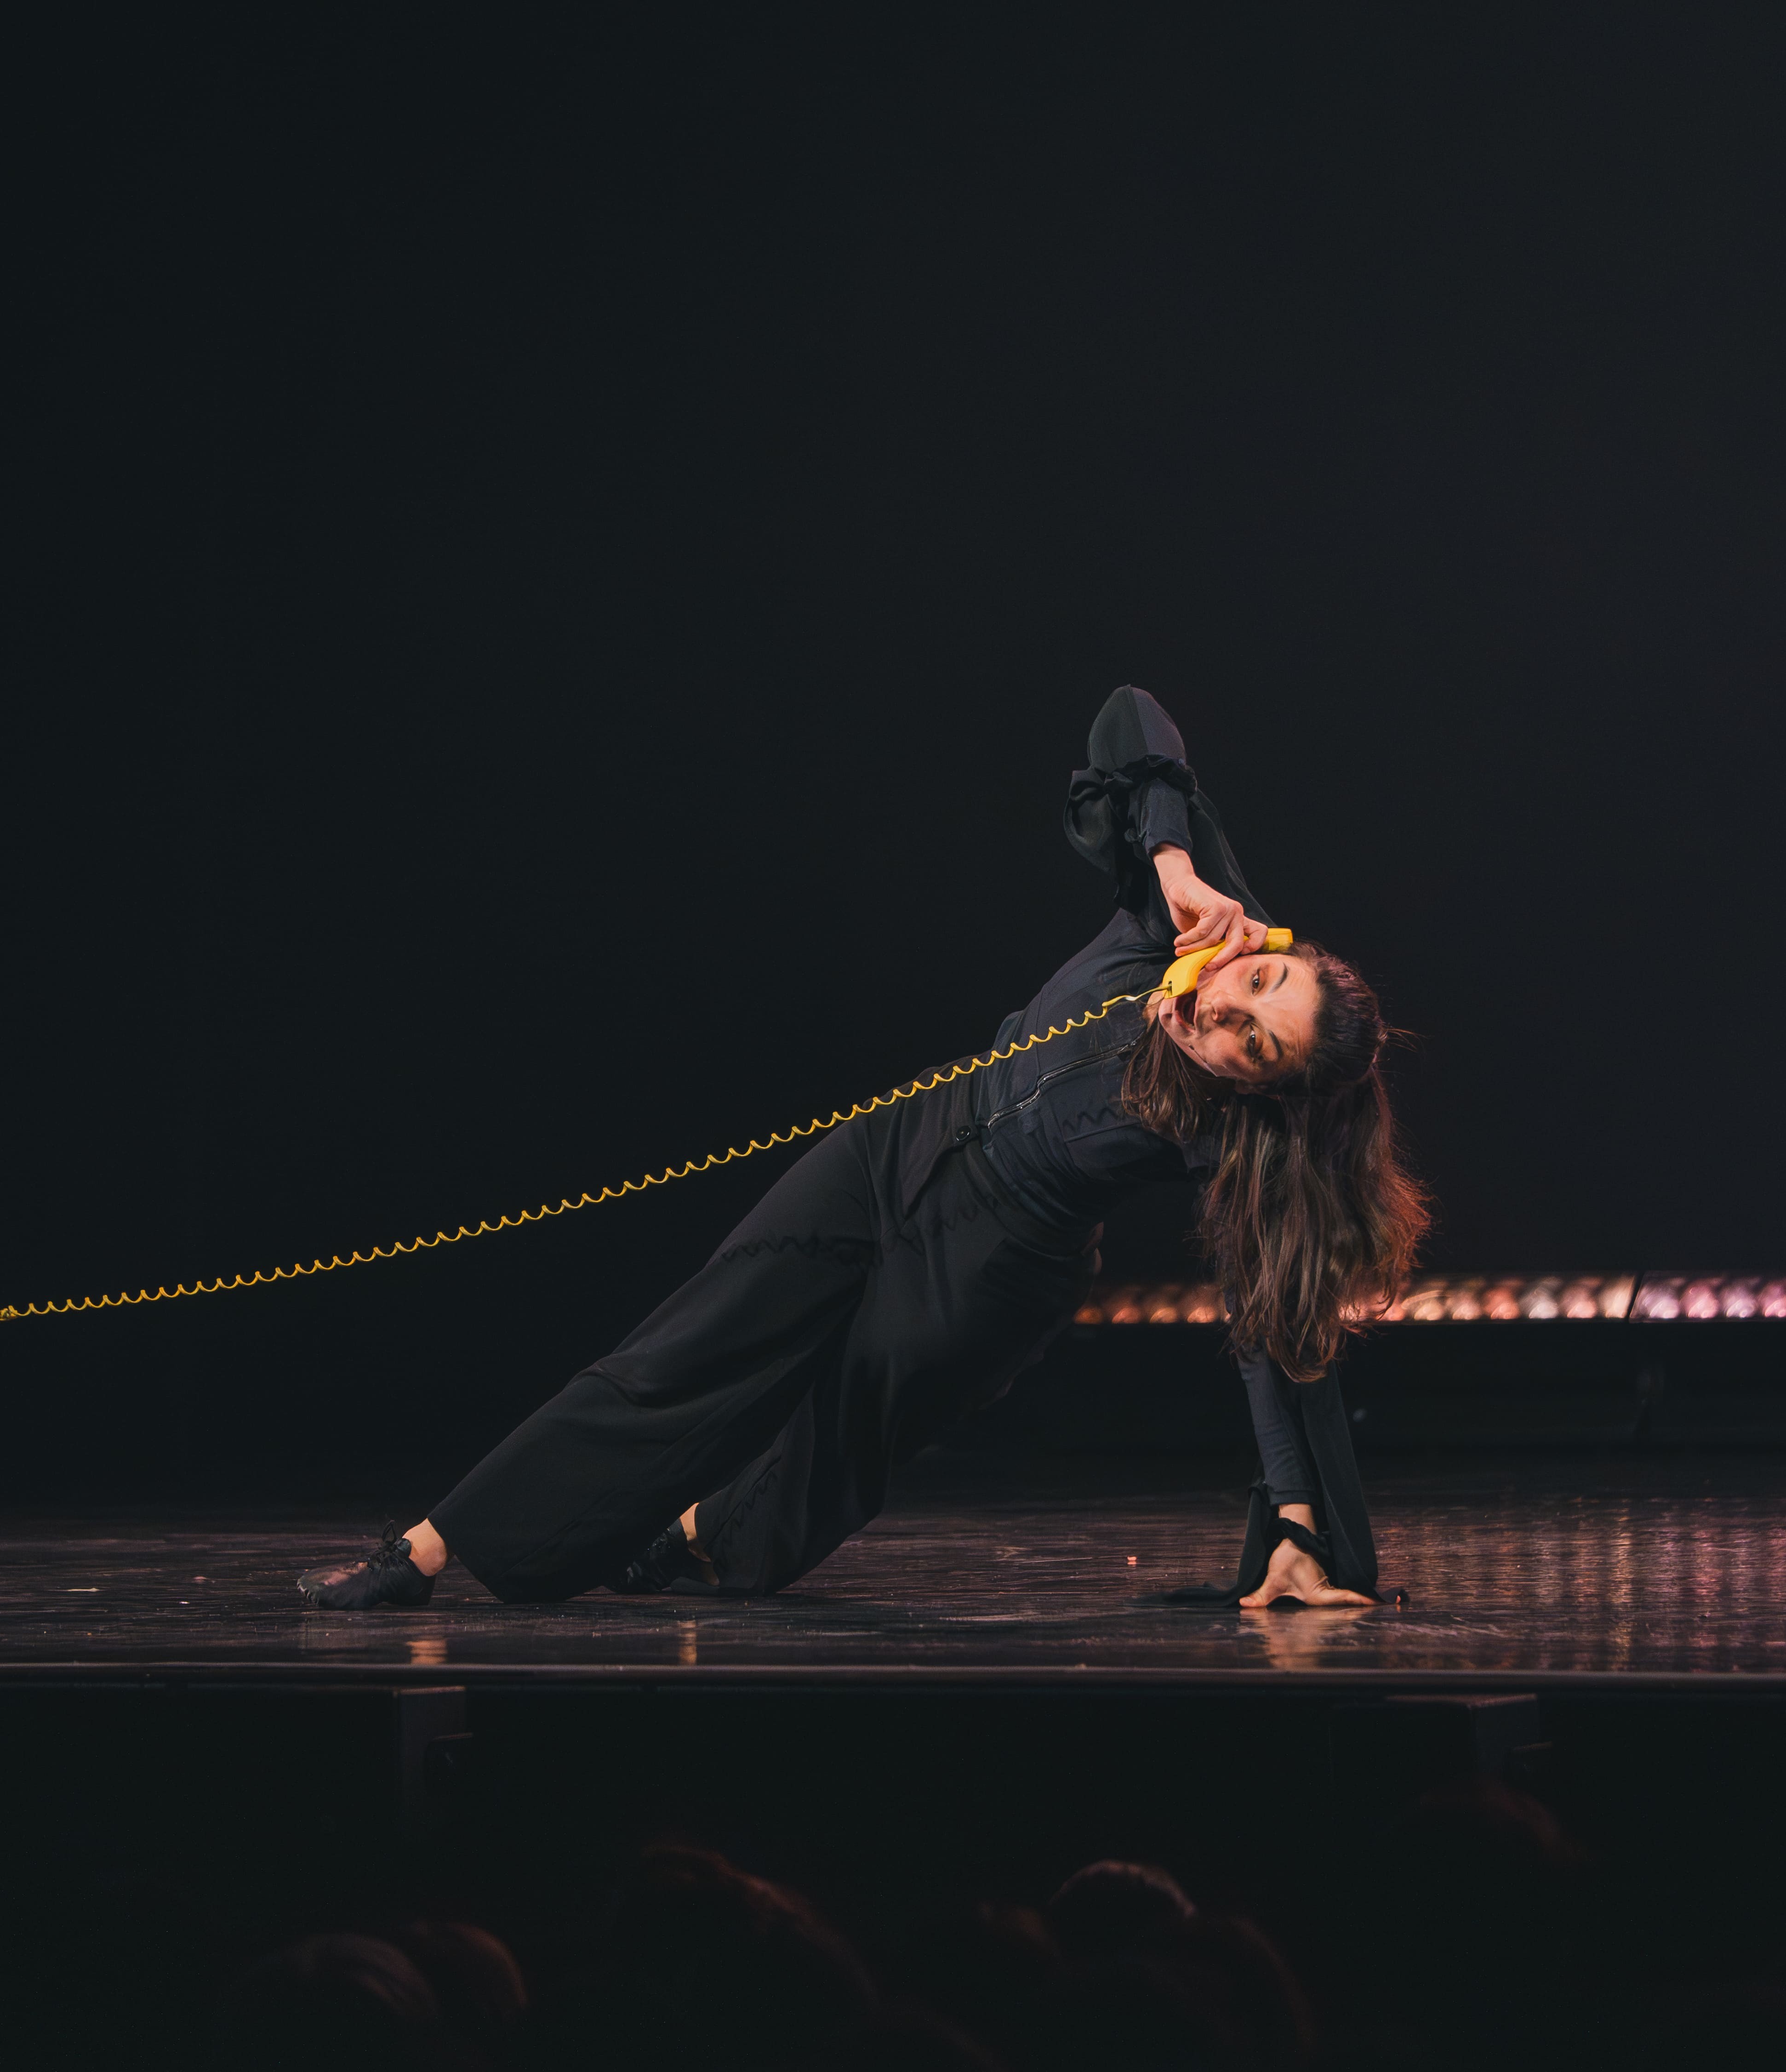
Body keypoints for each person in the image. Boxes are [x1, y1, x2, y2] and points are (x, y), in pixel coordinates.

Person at [301, 687, 1426, 1615]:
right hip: (900, 1143)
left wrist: (1294, 1517)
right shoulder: (1183, 913)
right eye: (1258, 984)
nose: (1228, 1013)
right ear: (1266, 946)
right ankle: (433, 1547)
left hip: (994, 1267)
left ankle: (694, 1538)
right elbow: (1130, 718)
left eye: (1254, 1044)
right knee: (694, 1339)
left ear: (1257, 1087)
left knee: (830, 1446)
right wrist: (1172, 859)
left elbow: (1270, 1334)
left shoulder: (1229, 1136)